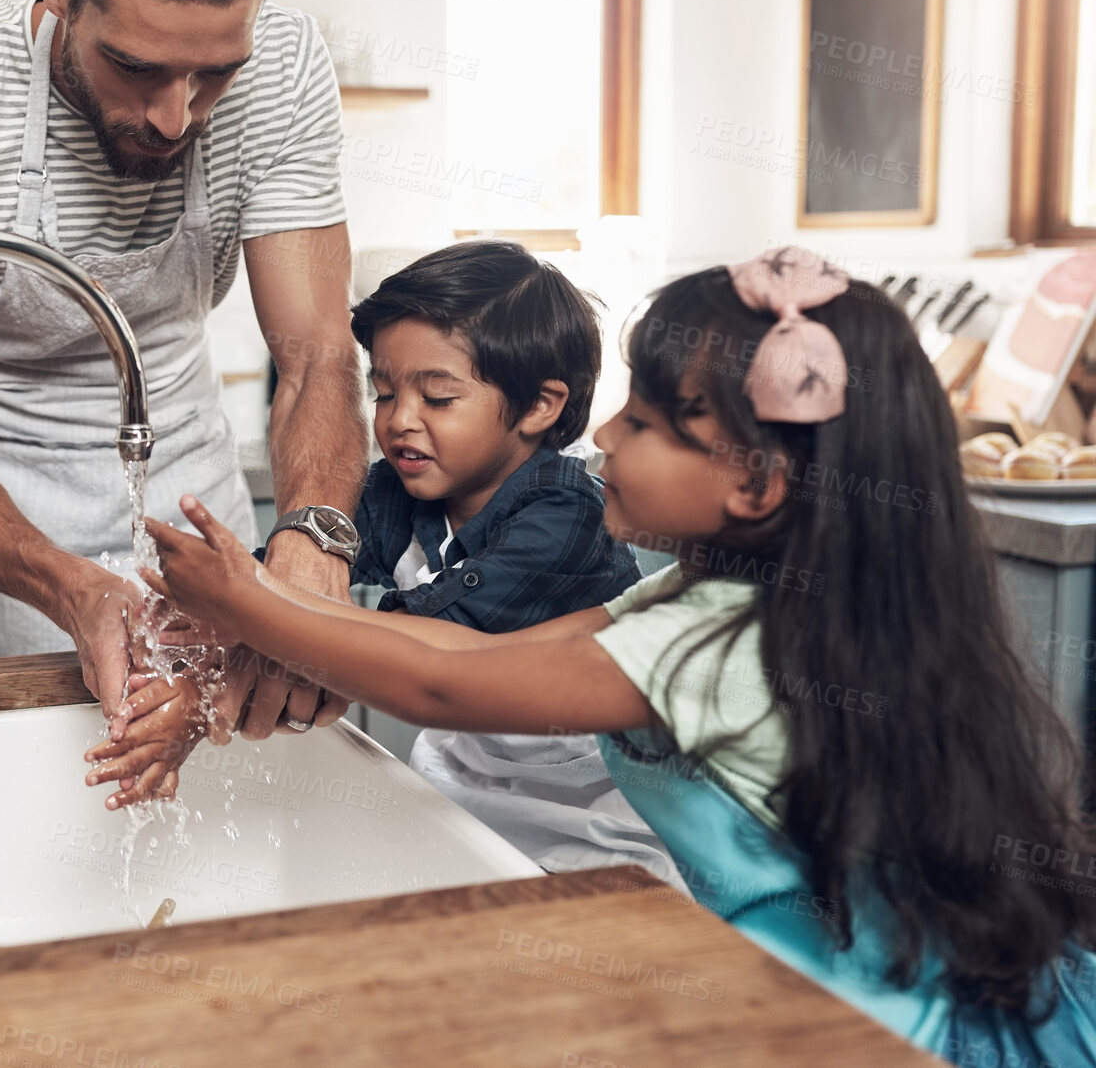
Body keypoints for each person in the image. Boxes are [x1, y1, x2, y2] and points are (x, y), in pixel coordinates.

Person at [134, 248, 1096, 1060]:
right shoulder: (706, 602)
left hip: (870, 1034)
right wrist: (257, 607)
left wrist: (256, 606)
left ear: (757, 482)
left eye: (641, 422)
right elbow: (432, 643)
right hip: (802, 998)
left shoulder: (717, 644)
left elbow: (446, 678)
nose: (604, 435)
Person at [0, 0, 369, 762]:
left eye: (214, 75)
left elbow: (317, 357)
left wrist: (313, 546)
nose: (176, 114)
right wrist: (75, 589)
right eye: (137, 67)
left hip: (197, 525)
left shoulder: (282, 66)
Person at [89, 240, 675, 892]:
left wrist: (230, 644)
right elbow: (297, 588)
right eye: (385, 392)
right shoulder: (397, 493)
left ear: (540, 405)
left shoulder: (568, 519)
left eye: (438, 398)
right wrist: (196, 616)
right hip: (470, 798)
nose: (399, 421)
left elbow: (410, 643)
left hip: (600, 829)